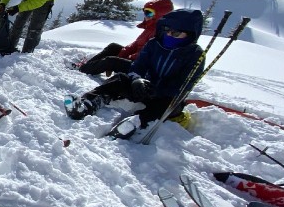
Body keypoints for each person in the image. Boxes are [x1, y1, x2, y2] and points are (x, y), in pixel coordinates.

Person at [65, 9, 205, 135]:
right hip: (143, 87)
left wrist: (158, 90)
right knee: (119, 78)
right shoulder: (154, 43)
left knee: (165, 105)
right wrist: (136, 78)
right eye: (167, 29)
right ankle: (88, 104)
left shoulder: (195, 55)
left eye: (175, 33)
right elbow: (138, 65)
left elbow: (184, 84)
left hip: (165, 96)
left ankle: (136, 124)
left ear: (190, 34)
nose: (168, 34)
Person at [77, 0, 174, 75]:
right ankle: (88, 65)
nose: (146, 15)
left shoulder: (161, 33)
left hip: (140, 67)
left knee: (111, 61)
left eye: (149, 12)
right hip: (135, 59)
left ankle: (83, 70)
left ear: (160, 15)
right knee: (113, 47)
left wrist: (125, 58)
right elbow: (135, 45)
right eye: (145, 11)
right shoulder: (150, 27)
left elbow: (145, 53)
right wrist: (122, 54)